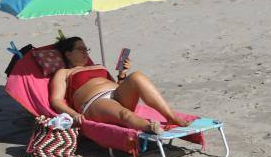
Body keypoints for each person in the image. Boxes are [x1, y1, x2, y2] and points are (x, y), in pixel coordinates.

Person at [49, 36, 192, 134]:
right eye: (80, 49)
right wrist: (74, 114)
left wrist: (122, 73)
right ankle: (148, 127)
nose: (85, 52)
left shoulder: (99, 66)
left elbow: (118, 86)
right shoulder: (64, 73)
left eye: (86, 49)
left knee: (137, 76)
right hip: (95, 103)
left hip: (116, 94)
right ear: (68, 54)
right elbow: (55, 100)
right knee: (124, 113)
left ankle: (170, 116)